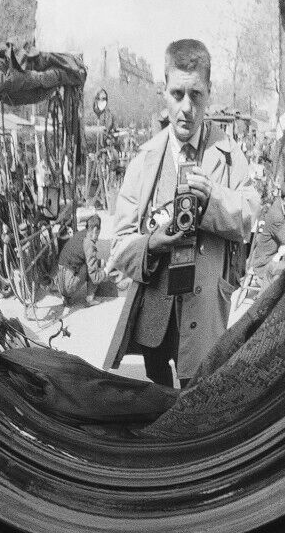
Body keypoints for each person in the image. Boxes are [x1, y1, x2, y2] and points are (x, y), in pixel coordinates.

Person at [105, 39, 258, 387]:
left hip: (204, 315)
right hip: (154, 323)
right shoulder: (144, 160)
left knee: (197, 398)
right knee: (157, 400)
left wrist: (213, 200)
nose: (186, 108)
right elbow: (118, 246)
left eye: (196, 95)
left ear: (209, 92)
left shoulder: (229, 155)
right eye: (177, 94)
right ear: (164, 91)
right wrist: (150, 245)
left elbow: (249, 216)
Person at [54, 212, 114, 308]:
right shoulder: (89, 243)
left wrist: (100, 262)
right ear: (95, 229)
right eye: (98, 232)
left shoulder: (81, 234)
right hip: (68, 286)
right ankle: (90, 299)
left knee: (90, 263)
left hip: (59, 281)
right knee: (92, 268)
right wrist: (106, 271)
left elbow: (80, 258)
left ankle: (66, 297)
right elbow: (95, 277)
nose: (98, 237)